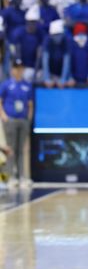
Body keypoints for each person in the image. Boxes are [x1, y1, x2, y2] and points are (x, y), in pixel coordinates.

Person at [0, 59, 34, 188]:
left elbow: (30, 104)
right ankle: (10, 177)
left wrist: (28, 119)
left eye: (20, 68)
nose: (18, 71)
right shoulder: (6, 85)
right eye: (16, 68)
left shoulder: (27, 85)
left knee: (21, 149)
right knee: (10, 149)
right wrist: (4, 117)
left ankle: (22, 177)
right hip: (11, 120)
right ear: (12, 70)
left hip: (23, 120)